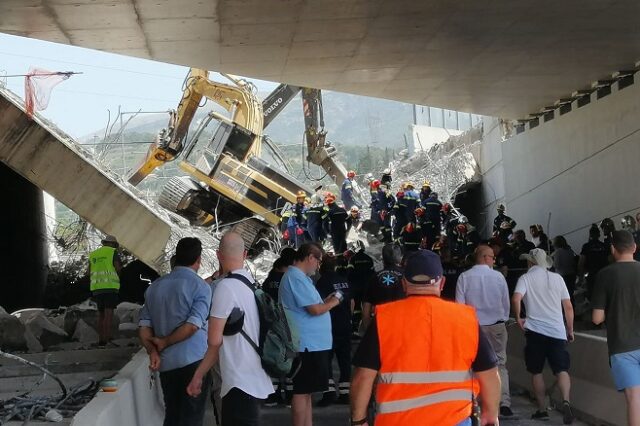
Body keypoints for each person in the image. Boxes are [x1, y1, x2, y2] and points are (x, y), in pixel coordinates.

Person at [350, 250, 501, 426]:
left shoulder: (384, 319)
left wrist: (359, 421)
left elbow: (363, 377)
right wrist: (490, 415)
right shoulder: (466, 319)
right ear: (442, 282)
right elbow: (489, 373)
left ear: (404, 284)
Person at [184, 233, 272, 426]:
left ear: (218, 255)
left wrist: (198, 375)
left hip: (238, 383)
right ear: (245, 254)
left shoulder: (225, 288)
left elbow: (214, 341)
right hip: (257, 379)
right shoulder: (251, 286)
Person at [138, 237, 212, 426]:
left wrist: (153, 350)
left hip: (167, 364)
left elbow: (144, 327)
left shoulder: (154, 288)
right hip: (194, 362)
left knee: (172, 416)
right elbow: (193, 325)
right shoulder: (200, 287)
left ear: (176, 258)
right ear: (198, 260)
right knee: (191, 418)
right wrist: (165, 341)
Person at [279, 243, 342, 426]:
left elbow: (313, 305)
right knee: (301, 391)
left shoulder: (301, 278)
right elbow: (314, 309)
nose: (318, 266)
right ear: (310, 258)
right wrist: (334, 302)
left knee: (306, 392)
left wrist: (325, 301)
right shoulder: (295, 278)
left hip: (312, 343)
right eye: (319, 261)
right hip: (306, 344)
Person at [511, 248, 575, 423]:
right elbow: (568, 307)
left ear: (530, 262)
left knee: (536, 371)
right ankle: (566, 401)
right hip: (557, 331)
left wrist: (518, 318)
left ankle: (541, 409)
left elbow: (516, 298)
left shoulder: (525, 278)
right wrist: (569, 330)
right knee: (561, 369)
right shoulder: (558, 278)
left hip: (535, 332)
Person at [456, 245, 513, 417]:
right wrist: (502, 318)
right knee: (499, 364)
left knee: (473, 365)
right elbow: (506, 303)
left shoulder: (464, 277)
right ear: (485, 257)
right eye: (492, 257)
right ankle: (503, 402)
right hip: (496, 326)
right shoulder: (498, 277)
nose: (494, 260)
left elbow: (460, 306)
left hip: (473, 327)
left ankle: (475, 401)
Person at [592, 230, 640, 426]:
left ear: (613, 249)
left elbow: (596, 318)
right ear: (635, 247)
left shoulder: (605, 274)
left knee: (634, 400)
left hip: (622, 346)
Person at [315, 255, 353, 406]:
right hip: (345, 325)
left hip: (328, 327)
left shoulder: (322, 282)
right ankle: (345, 394)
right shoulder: (343, 280)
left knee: (326, 360)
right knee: (345, 361)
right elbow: (352, 301)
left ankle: (329, 393)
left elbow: (319, 303)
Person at [361, 244, 404, 331]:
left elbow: (366, 309)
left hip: (381, 327)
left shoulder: (374, 278)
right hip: (402, 326)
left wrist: (368, 330)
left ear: (383, 258)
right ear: (400, 258)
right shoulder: (406, 276)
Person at [89, 234, 122, 346]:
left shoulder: (93, 254)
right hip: (110, 287)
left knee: (101, 314)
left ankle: (101, 339)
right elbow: (117, 268)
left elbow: (88, 272)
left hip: (97, 288)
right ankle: (106, 339)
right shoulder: (113, 252)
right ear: (113, 244)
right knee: (109, 314)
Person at [578, 224, 609, 301]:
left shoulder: (586, 246)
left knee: (593, 298)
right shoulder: (604, 246)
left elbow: (581, 262)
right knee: (606, 296)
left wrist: (581, 277)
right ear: (599, 234)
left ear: (590, 234)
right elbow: (610, 260)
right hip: (604, 274)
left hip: (592, 275)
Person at [551, 236, 577, 306]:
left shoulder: (558, 252)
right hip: (571, 275)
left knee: (562, 297)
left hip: (562, 276)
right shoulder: (570, 250)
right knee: (570, 295)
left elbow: (556, 265)